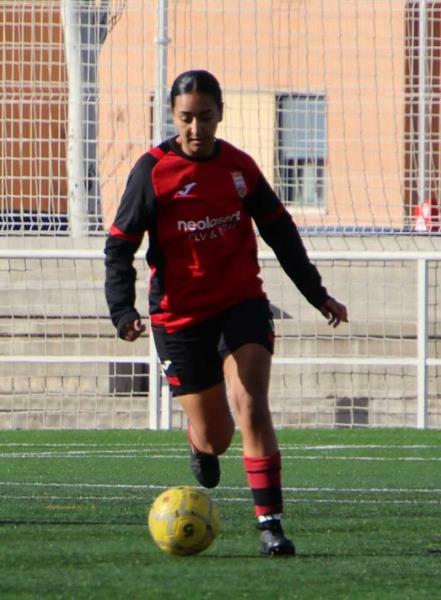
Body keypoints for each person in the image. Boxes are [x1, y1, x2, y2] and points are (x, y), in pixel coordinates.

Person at [104, 69, 348, 557]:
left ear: (220, 114)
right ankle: (200, 443)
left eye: (206, 117)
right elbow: (119, 246)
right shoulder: (152, 173)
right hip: (179, 317)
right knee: (218, 437)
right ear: (173, 117)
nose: (196, 128)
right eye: (186, 118)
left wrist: (316, 293)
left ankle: (270, 524)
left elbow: (281, 233)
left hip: (241, 303)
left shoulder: (239, 167)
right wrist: (122, 310)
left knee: (251, 400)